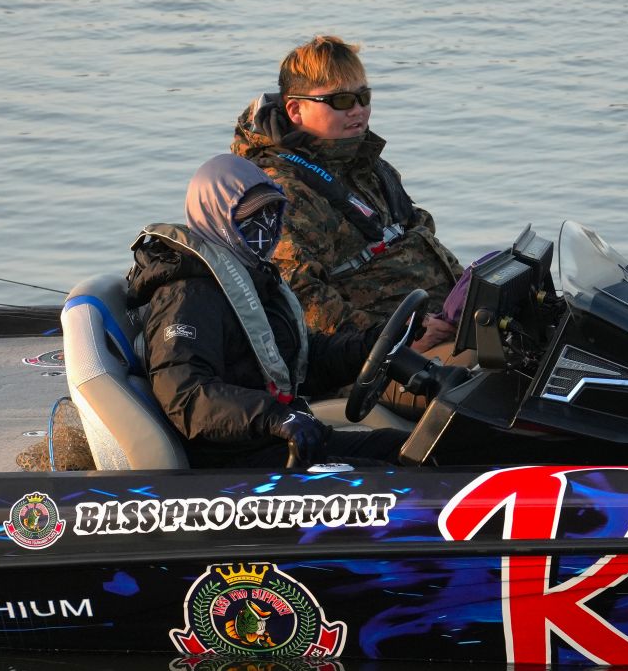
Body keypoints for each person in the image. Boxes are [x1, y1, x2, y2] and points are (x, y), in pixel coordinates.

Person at [127, 154, 409, 469]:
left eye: (272, 211)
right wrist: (275, 416)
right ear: (216, 216)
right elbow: (186, 396)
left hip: (277, 441)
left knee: (412, 450)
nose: (266, 224)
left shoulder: (252, 277)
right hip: (236, 463)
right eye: (251, 215)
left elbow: (300, 363)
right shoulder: (187, 296)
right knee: (396, 473)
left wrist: (373, 345)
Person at [231, 35, 464, 350]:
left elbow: (419, 233)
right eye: (341, 101)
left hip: (439, 321)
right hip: (383, 351)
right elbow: (300, 297)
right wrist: (398, 338)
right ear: (296, 110)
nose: (358, 110)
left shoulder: (366, 165)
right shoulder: (283, 193)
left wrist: (470, 293)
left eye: (364, 97)